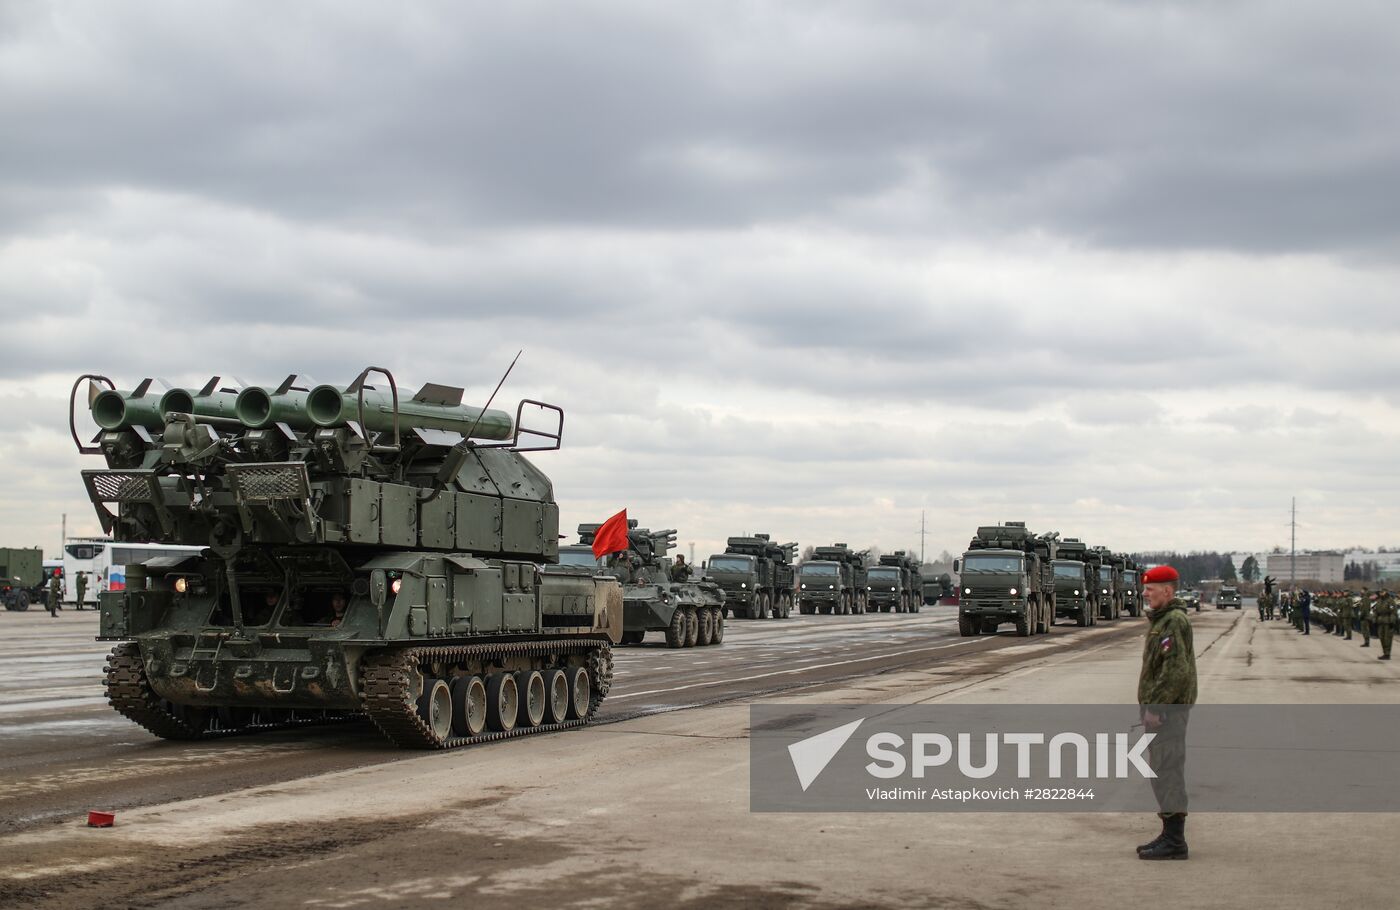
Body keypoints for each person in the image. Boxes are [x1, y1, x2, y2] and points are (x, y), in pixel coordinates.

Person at [1136, 564, 1196, 861]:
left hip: (1168, 713)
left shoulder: (1173, 621)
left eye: (1150, 589)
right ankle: (1169, 833)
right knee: (1161, 770)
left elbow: (1175, 671)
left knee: (1168, 770)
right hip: (1164, 712)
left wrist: (1157, 709)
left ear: (1167, 591)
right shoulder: (1164, 620)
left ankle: (1175, 841)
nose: (1145, 593)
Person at [1375, 589, 1396, 661]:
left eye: (1382, 592)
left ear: (1386, 592)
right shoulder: (1379, 601)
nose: (1381, 594)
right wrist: (1374, 620)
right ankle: (1385, 652)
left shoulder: (1390, 601)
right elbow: (1376, 611)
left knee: (1387, 638)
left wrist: (1392, 622)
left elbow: (1393, 612)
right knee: (1381, 637)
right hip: (1380, 621)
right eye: (1380, 592)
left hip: (1387, 621)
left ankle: (1387, 654)